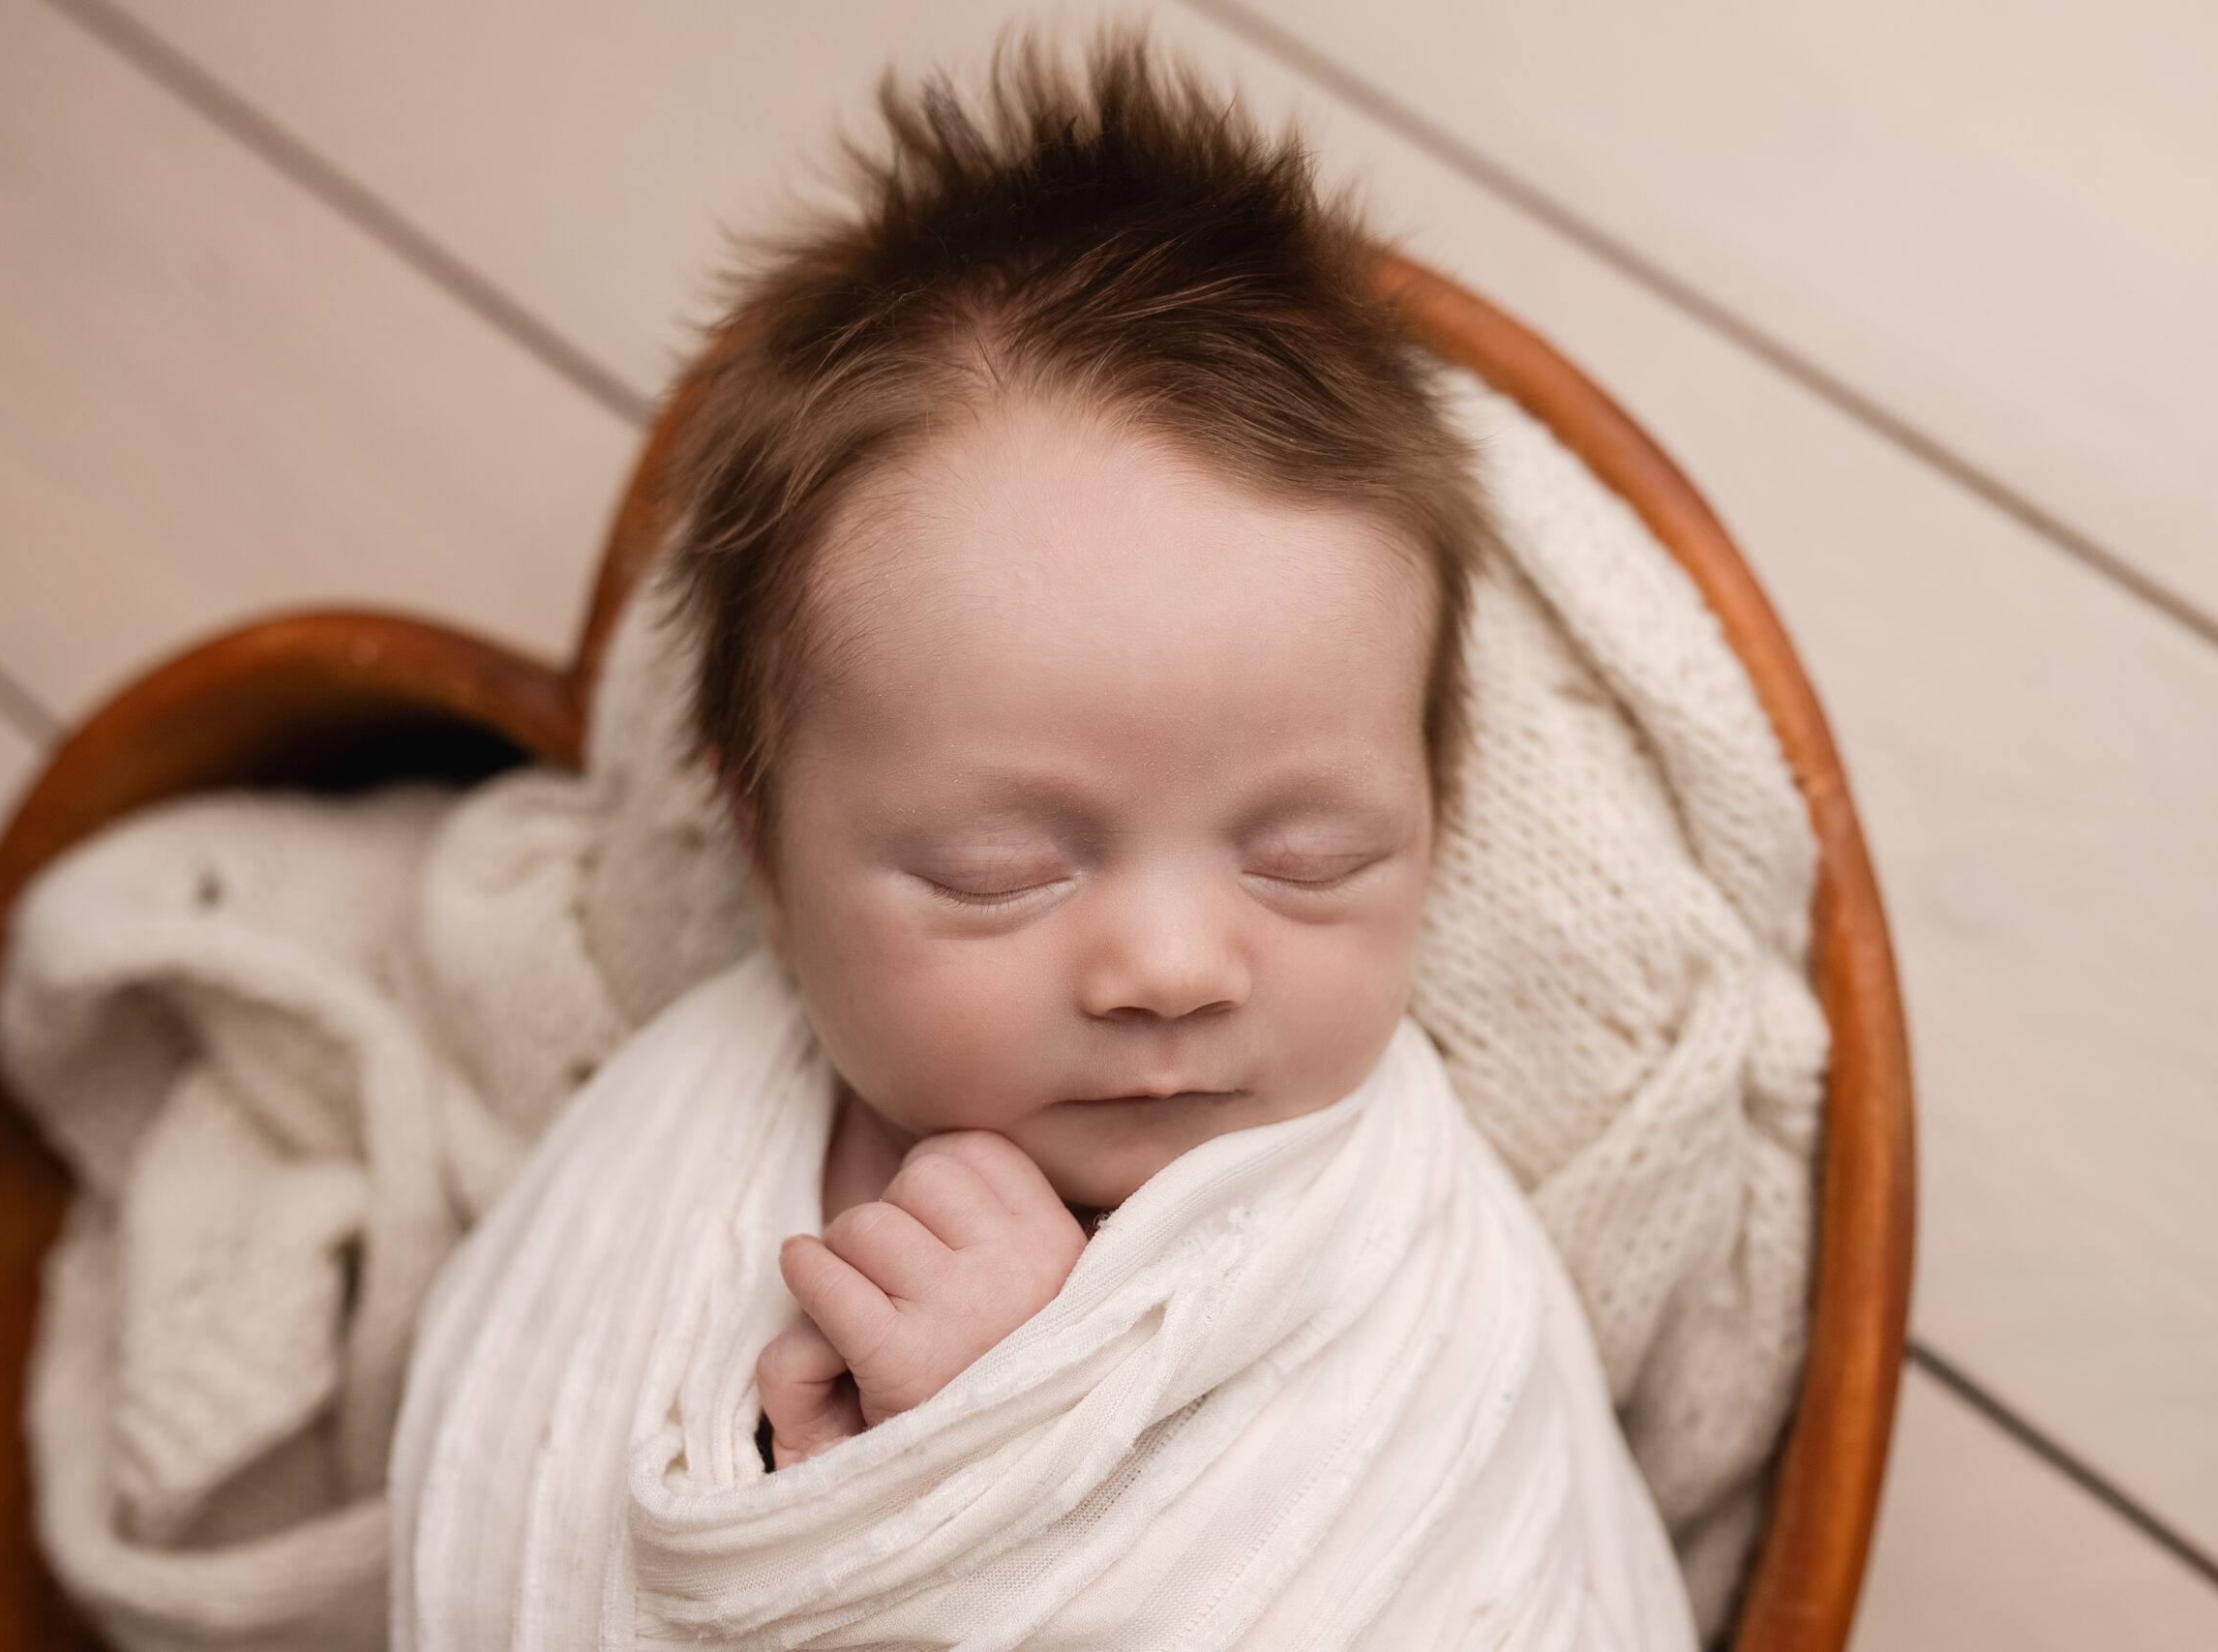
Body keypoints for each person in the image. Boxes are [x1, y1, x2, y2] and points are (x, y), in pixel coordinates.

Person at [389, 36, 1697, 1648]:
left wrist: (1002, 1457)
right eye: (1001, 870)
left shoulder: (1400, 1278)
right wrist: (816, 1479)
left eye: (1307, 860)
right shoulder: (671, 1142)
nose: (1170, 965)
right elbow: (525, 1492)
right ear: (765, 853)